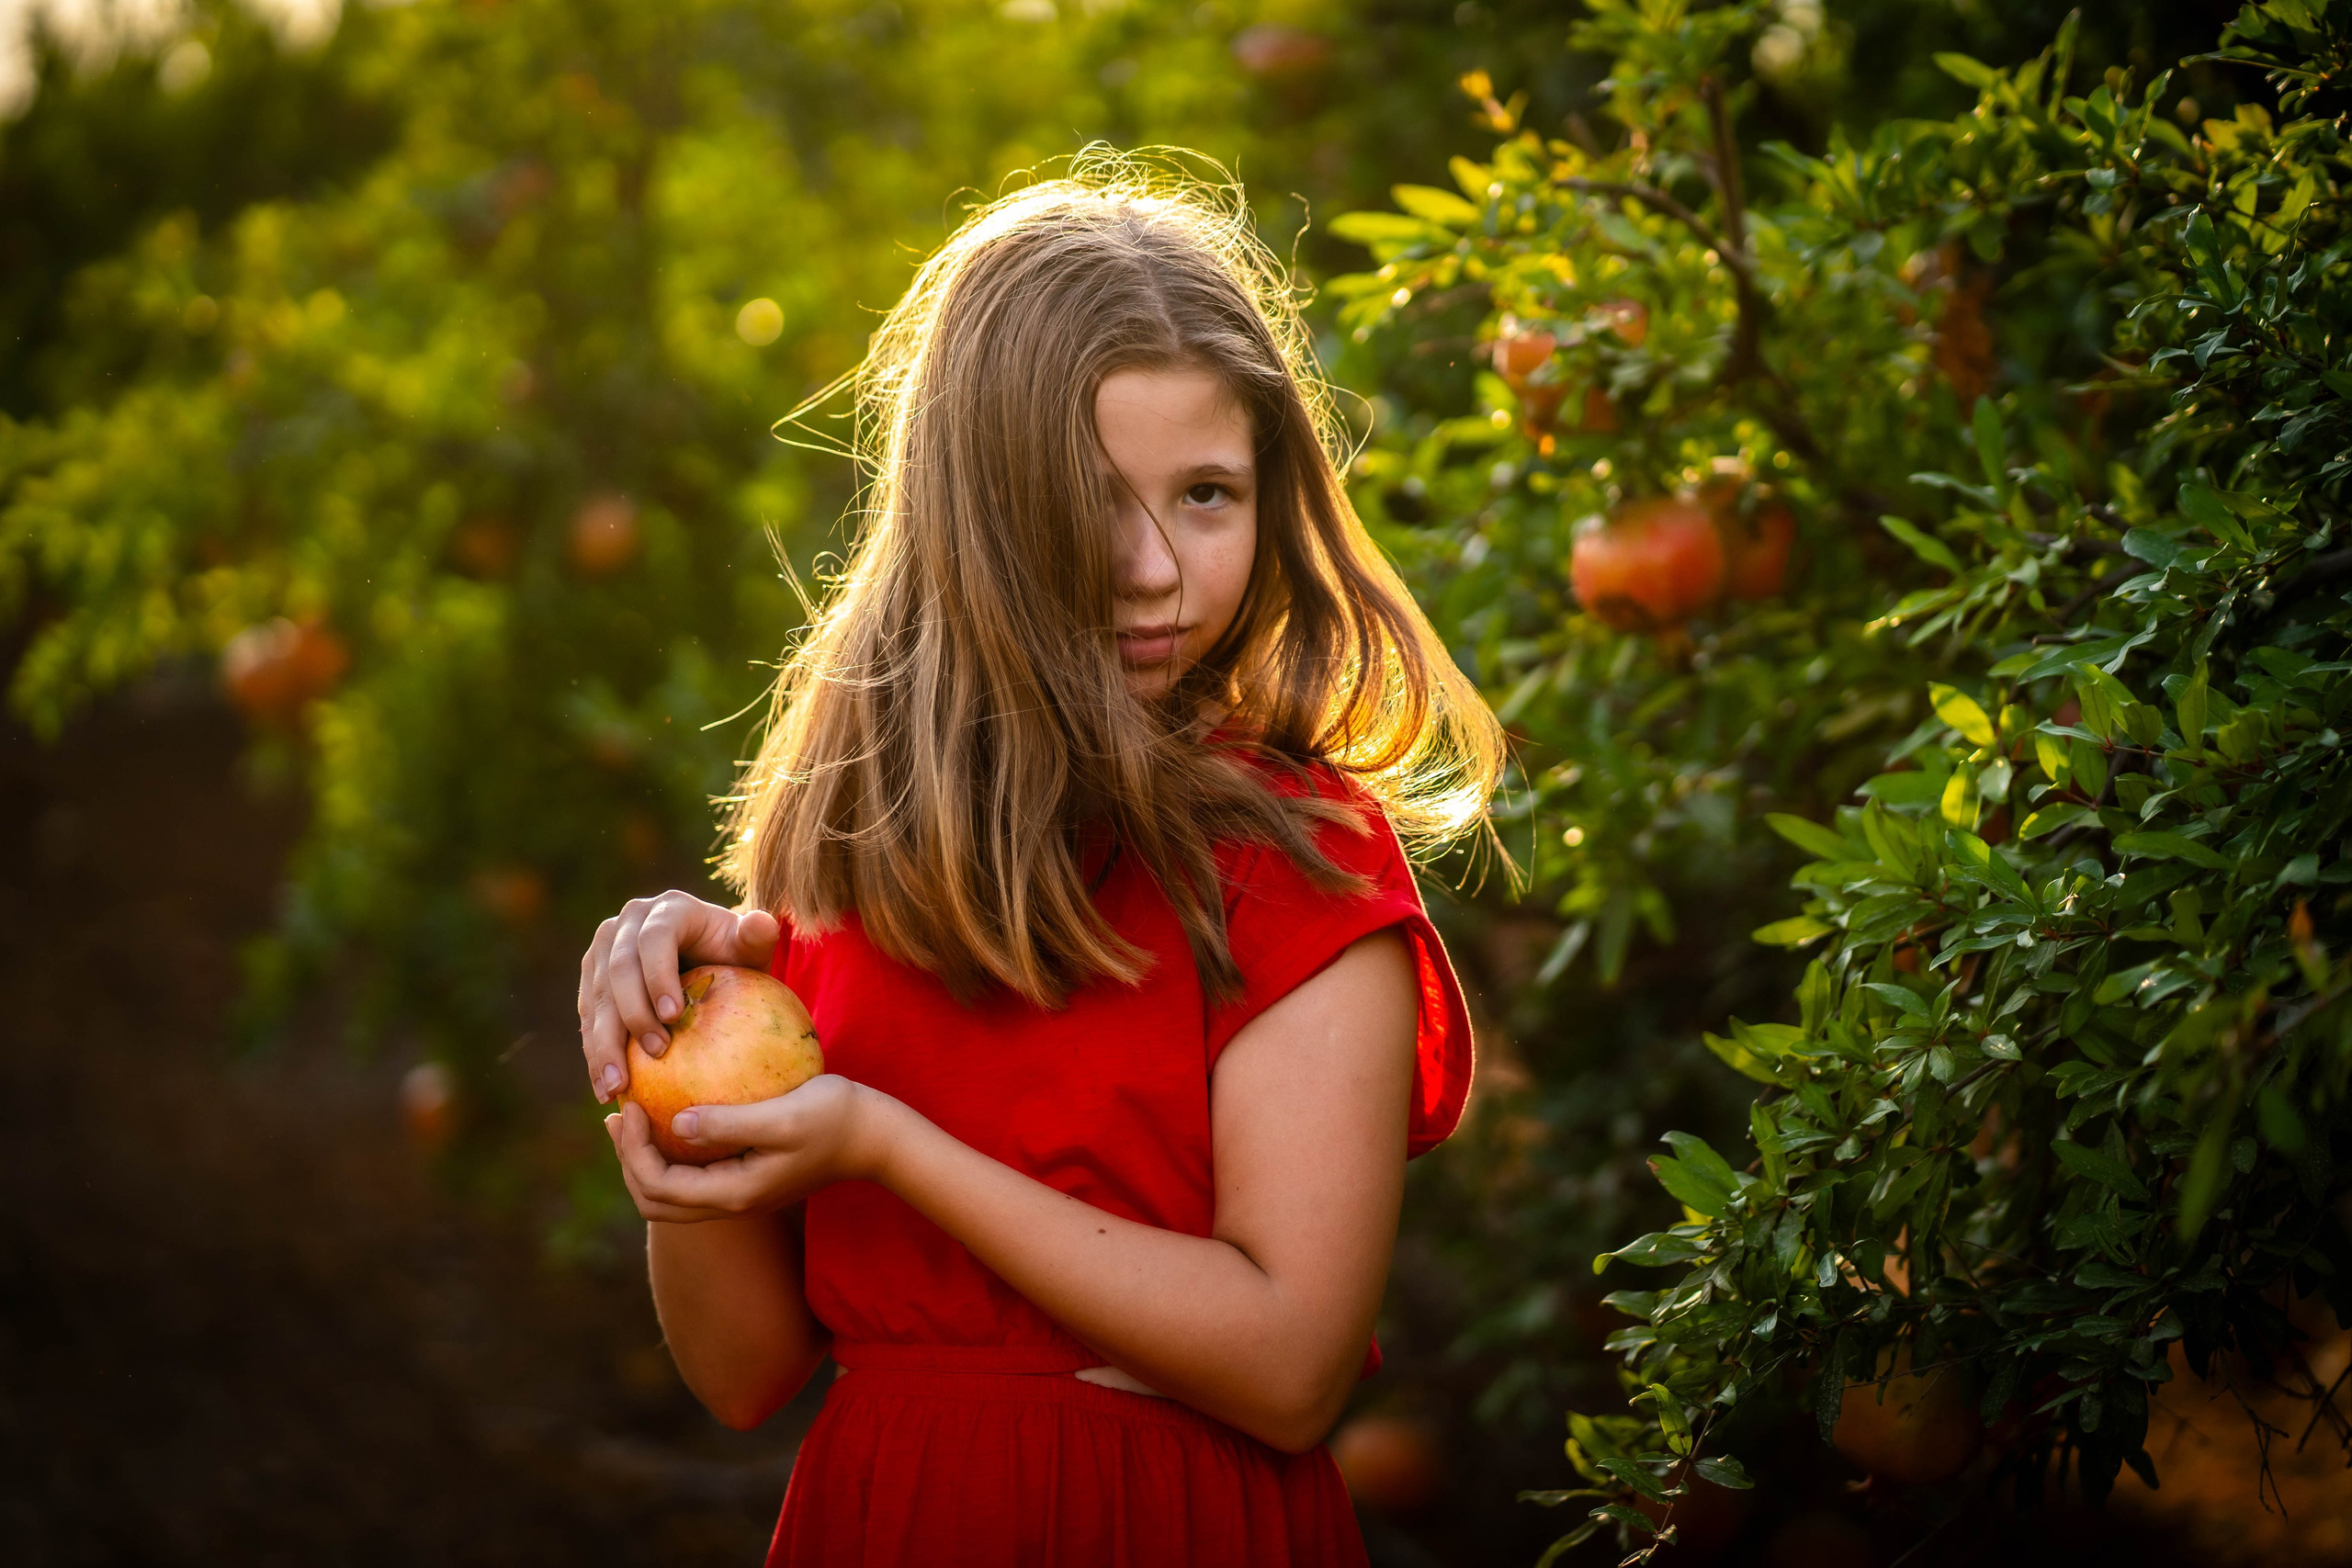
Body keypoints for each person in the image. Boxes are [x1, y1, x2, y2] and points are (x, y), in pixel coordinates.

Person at [574, 156, 1503, 1568]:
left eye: (1207, 494)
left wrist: (887, 1146)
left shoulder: (1299, 863)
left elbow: (1290, 1368)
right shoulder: (856, 843)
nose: (1155, 567)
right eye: (1090, 499)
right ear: (977, 511)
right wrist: (669, 1091)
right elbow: (743, 1375)